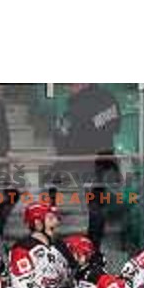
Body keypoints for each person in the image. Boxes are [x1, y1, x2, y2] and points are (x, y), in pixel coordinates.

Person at [52, 84, 121, 249]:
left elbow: (113, 126)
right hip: (75, 161)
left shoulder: (105, 98)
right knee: (53, 189)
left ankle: (93, 248)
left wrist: (78, 137)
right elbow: (61, 133)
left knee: (95, 206)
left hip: (98, 160)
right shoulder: (72, 104)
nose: (69, 86)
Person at [0, 202, 76, 288]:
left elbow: (68, 287)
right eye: (51, 218)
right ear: (37, 223)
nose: (56, 223)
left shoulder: (59, 251)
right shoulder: (22, 248)